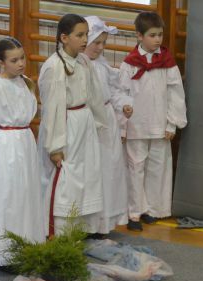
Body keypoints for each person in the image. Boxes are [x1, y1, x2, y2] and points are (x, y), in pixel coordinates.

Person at [0, 37, 46, 270]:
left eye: (22, 58)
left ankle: (25, 245)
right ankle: (3, 252)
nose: (21, 63)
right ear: (1, 62)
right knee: (7, 197)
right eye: (14, 60)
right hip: (5, 146)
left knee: (25, 194)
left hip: (24, 142)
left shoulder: (25, 83)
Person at [38, 14, 107, 237]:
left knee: (85, 177)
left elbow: (94, 95)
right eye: (80, 35)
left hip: (84, 123)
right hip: (65, 128)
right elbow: (52, 110)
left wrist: (97, 123)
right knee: (66, 180)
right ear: (64, 37)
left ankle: (79, 229)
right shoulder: (54, 67)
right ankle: (57, 232)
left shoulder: (84, 61)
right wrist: (55, 146)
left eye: (86, 34)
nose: (85, 39)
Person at [119, 11, 187, 231]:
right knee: (135, 168)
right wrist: (123, 122)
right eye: (152, 35)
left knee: (157, 169)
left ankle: (151, 209)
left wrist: (171, 123)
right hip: (136, 125)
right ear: (139, 35)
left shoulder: (167, 62)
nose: (158, 39)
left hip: (159, 125)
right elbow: (121, 92)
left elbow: (176, 93)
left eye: (160, 35)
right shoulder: (129, 63)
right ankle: (134, 213)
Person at [84, 16, 134, 237]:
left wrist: (123, 104)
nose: (100, 47)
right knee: (91, 173)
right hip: (88, 123)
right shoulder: (78, 66)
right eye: (96, 42)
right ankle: (87, 222)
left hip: (106, 124)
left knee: (108, 171)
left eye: (103, 43)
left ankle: (103, 222)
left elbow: (113, 90)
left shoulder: (102, 65)